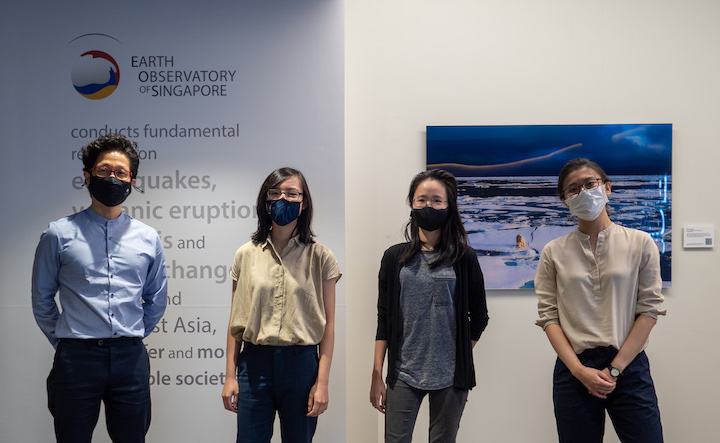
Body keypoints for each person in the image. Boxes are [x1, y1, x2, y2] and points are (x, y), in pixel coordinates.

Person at [31, 134, 168, 443]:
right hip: (76, 360)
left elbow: (157, 298)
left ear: (132, 180)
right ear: (87, 176)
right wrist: (68, 342)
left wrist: (130, 338)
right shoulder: (58, 234)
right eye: (104, 170)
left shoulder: (148, 238)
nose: (112, 178)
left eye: (121, 172)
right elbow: (42, 298)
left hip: (129, 360)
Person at [535, 158, 666, 443]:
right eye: (572, 189)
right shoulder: (553, 252)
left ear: (607, 187)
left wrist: (615, 369)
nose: (583, 192)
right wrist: (580, 371)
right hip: (574, 369)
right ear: (565, 201)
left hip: (628, 365)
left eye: (589, 184)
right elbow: (549, 317)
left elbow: (649, 311)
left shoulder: (640, 243)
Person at [221, 167, 341, 443]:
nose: (282, 200)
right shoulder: (246, 254)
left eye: (291, 193)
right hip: (254, 364)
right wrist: (230, 376)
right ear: (265, 202)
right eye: (275, 193)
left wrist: (322, 382)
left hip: (301, 365)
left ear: (304, 201)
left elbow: (329, 326)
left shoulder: (321, 256)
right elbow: (235, 320)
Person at [370, 169, 489, 443]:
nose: (428, 206)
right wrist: (377, 374)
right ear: (411, 204)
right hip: (403, 372)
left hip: (451, 376)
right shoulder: (394, 258)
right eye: (421, 200)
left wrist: (459, 350)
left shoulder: (464, 257)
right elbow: (384, 319)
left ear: (449, 206)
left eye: (437, 200)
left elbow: (480, 316)